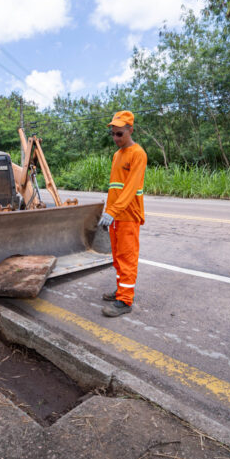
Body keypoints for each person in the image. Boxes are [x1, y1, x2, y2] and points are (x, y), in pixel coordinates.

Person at [98, 110, 147, 317]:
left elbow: (130, 188)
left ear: (130, 130)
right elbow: (115, 188)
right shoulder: (117, 155)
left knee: (127, 257)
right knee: (118, 257)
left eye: (120, 134)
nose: (116, 138)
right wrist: (109, 212)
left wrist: (112, 211)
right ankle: (121, 291)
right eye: (113, 134)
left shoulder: (138, 154)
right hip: (116, 215)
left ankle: (125, 301)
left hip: (128, 215)